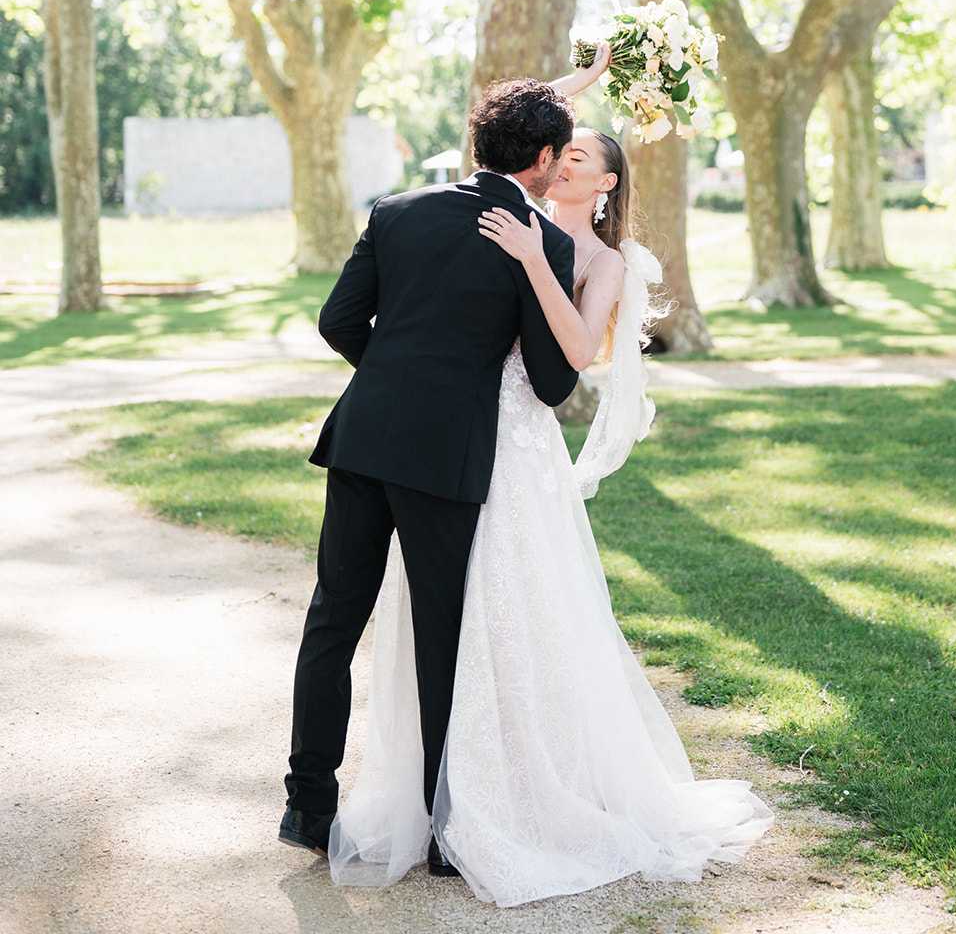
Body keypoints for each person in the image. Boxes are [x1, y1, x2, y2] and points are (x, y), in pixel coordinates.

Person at [326, 48, 774, 905]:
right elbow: (507, 141)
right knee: (448, 621)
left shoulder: (595, 257)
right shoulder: (498, 203)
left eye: (582, 157)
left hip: (516, 444)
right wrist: (586, 76)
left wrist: (538, 258)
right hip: (447, 436)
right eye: (559, 150)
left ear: (603, 184)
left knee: (517, 616)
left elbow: (568, 362)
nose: (565, 159)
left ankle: (516, 783)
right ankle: (438, 789)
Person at [279, 75, 580, 868]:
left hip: (364, 437)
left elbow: (337, 320)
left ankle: (306, 805)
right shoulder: (539, 240)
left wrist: (392, 379)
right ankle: (445, 830)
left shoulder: (397, 210)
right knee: (442, 640)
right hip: (445, 458)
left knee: (332, 621)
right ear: (545, 158)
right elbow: (552, 384)